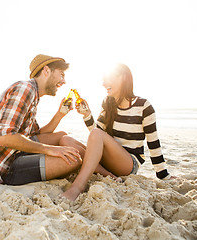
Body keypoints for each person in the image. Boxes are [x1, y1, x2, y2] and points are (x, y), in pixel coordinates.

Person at [61, 63, 173, 201]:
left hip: (128, 163)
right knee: (66, 140)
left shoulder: (144, 106)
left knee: (95, 135)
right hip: (107, 159)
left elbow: (153, 142)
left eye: (108, 79)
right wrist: (87, 115)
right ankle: (110, 176)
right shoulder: (108, 102)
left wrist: (162, 174)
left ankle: (77, 187)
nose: (103, 83)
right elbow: (99, 134)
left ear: (123, 78)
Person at [0, 54, 85, 185]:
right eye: (61, 74)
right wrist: (50, 149)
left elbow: (36, 134)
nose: (63, 81)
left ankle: (96, 162)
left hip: (13, 153)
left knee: (62, 136)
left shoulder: (33, 94)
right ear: (46, 71)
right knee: (73, 160)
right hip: (1, 166)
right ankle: (98, 164)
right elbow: (7, 138)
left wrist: (60, 114)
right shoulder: (25, 89)